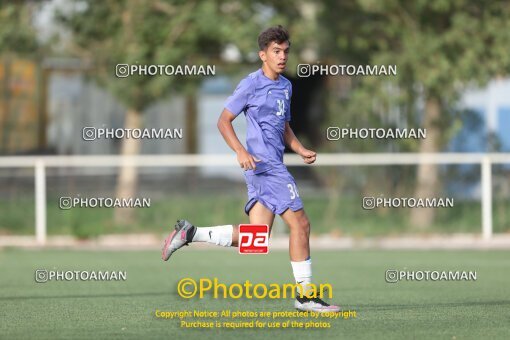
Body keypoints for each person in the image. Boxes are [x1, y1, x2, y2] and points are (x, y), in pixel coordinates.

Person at [162, 25, 339, 313]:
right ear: (263, 55)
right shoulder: (250, 84)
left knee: (257, 239)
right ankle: (306, 296)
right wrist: (241, 151)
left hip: (269, 166)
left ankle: (190, 234)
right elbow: (223, 121)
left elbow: (283, 127)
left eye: (285, 51)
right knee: (301, 224)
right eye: (276, 51)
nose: (282, 57)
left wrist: (299, 148)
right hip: (264, 166)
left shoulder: (286, 86)